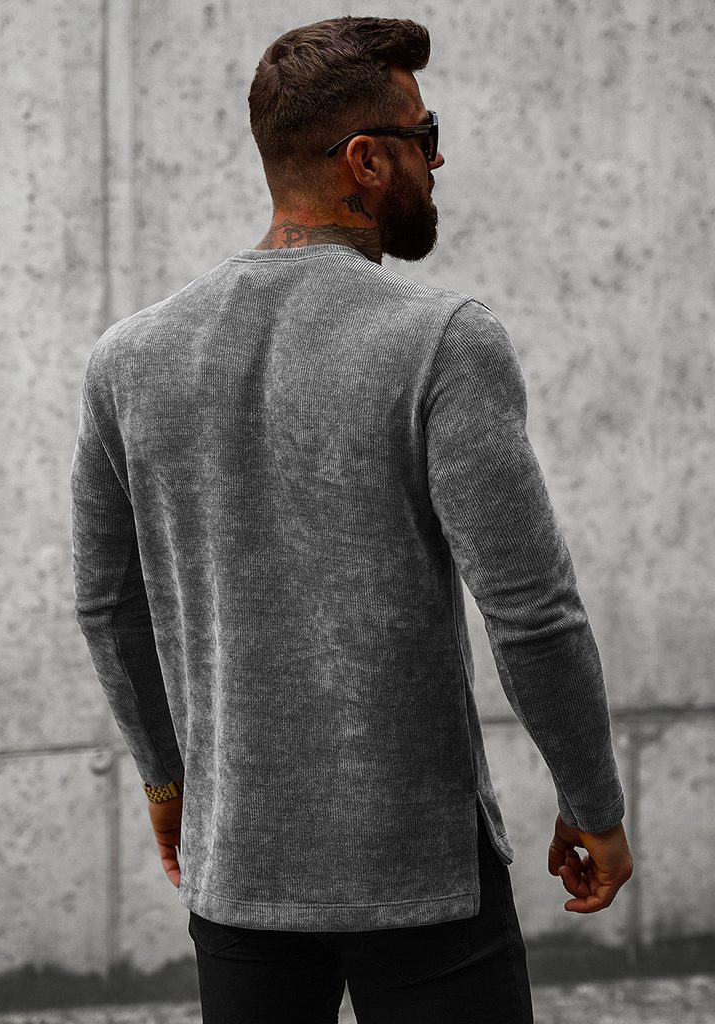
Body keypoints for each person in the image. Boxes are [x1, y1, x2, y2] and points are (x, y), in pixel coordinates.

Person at [69, 15, 633, 1024]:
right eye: (424, 135)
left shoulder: (130, 359)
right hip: (419, 871)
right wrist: (594, 804)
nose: (438, 158)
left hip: (239, 864)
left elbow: (107, 604)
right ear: (365, 161)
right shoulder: (441, 341)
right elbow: (532, 612)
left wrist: (167, 785)